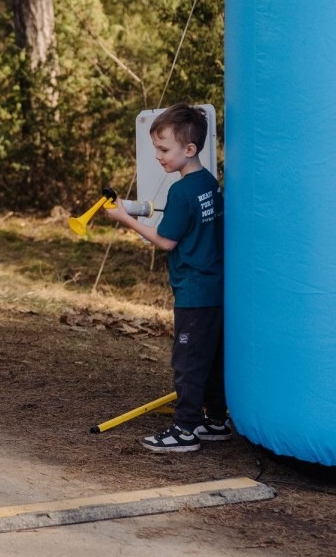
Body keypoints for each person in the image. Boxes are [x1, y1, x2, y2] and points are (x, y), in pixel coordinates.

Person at [102, 102, 227, 453]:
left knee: (187, 361)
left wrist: (126, 220)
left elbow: (166, 241)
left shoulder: (182, 191)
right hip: (215, 289)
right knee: (212, 357)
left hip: (193, 291)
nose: (157, 156)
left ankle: (185, 430)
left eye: (164, 149)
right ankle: (216, 420)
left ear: (189, 149)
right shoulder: (208, 183)